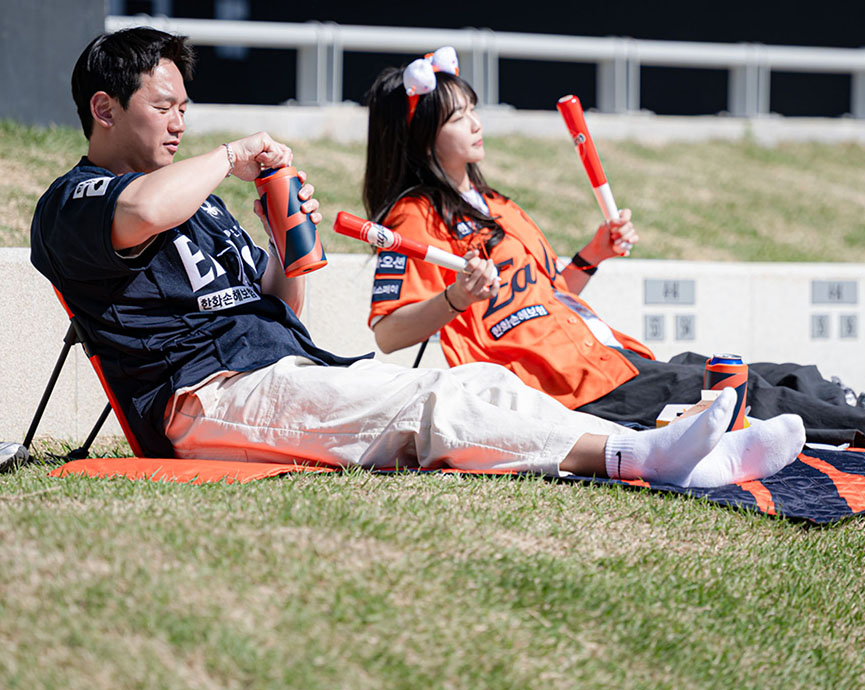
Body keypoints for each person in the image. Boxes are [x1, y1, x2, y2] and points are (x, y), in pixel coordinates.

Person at [28, 27, 807, 490]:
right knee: (427, 404)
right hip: (206, 399)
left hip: (280, 368)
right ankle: (637, 455)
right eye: (163, 107)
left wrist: (282, 235)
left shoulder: (199, 204)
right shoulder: (76, 199)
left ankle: (685, 461)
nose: (179, 123)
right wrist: (232, 155)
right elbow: (139, 212)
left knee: (480, 383)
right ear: (105, 109)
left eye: (184, 108)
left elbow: (280, 306)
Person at [362, 51, 865, 452]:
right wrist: (454, 297)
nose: (476, 123)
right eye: (458, 117)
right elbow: (389, 334)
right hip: (563, 390)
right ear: (422, 137)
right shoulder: (412, 217)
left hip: (611, 360)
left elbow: (546, 296)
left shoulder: (499, 205)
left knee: (773, 372)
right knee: (738, 391)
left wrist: (592, 255)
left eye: (473, 109)